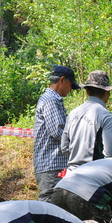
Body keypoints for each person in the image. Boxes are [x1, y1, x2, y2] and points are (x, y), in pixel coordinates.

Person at [34, 65, 81, 201]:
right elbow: (58, 132)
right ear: (62, 80)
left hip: (52, 164)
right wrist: (79, 142)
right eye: (71, 84)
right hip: (52, 164)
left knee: (57, 207)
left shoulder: (51, 99)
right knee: (49, 207)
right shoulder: (51, 100)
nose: (71, 89)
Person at [61, 70, 112, 171]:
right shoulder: (107, 117)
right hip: (93, 174)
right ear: (107, 92)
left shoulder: (73, 114)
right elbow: (110, 154)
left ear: (87, 91)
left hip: (71, 174)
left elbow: (64, 147)